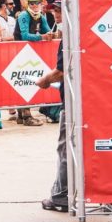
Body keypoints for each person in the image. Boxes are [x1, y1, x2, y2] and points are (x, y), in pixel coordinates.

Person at [36, 38, 67, 211]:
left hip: (73, 103)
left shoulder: (72, 33)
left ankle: (61, 196)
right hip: (94, 99)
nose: (54, 13)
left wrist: (46, 80)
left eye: (57, 9)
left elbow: (62, 71)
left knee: (66, 149)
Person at [15, 0, 52, 127]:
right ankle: (26, 115)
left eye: (37, 3)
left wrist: (50, 35)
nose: (35, 6)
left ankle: (22, 115)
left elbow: (47, 30)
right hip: (18, 52)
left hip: (30, 53)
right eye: (32, 3)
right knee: (23, 81)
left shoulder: (40, 16)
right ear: (28, 4)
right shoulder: (24, 15)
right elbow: (24, 35)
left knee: (27, 81)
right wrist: (42, 37)